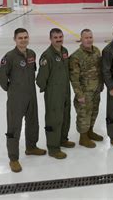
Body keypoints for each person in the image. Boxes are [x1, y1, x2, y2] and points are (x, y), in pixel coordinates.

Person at [0, 28, 46, 173]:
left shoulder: (31, 54)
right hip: (16, 98)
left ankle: (31, 147)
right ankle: (13, 158)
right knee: (14, 127)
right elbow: (1, 78)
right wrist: (11, 90)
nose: (23, 40)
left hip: (31, 95)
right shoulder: (9, 57)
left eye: (25, 37)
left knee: (32, 122)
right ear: (15, 39)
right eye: (20, 38)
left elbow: (33, 71)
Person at [36, 28, 75, 160]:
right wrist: (50, 90)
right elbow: (41, 79)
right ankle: (53, 148)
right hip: (54, 93)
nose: (58, 39)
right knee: (54, 119)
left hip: (65, 90)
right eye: (55, 37)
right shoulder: (47, 56)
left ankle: (63, 139)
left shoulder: (64, 51)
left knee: (65, 116)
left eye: (60, 37)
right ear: (51, 39)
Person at [69, 29, 104, 148]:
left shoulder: (97, 51)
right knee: (84, 115)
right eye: (86, 38)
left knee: (94, 112)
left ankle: (90, 132)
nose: (88, 40)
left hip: (96, 90)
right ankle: (83, 138)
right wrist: (79, 95)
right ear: (81, 39)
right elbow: (74, 78)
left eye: (90, 37)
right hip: (84, 92)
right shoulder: (76, 57)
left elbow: (100, 70)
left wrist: (101, 85)